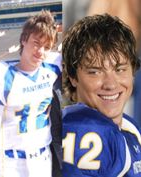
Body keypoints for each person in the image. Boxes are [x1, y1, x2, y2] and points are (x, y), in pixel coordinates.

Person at [0, 10, 62, 177]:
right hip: (13, 164)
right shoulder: (2, 76)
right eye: (36, 43)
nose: (40, 51)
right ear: (23, 39)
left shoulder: (52, 68)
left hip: (43, 161)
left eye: (46, 47)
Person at [61, 14, 141, 176]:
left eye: (119, 70)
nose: (111, 84)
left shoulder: (130, 128)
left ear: (132, 70)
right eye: (95, 72)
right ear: (73, 76)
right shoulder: (80, 131)